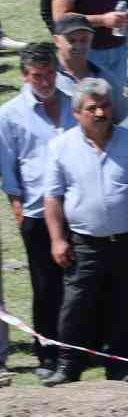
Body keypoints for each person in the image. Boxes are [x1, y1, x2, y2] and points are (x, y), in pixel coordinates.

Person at [40, 79, 128, 385]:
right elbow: (52, 196)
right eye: (92, 108)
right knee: (75, 305)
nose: (100, 113)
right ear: (77, 113)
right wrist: (57, 239)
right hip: (84, 242)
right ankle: (68, 366)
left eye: (104, 106)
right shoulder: (60, 147)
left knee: (126, 304)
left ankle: (119, 366)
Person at [0, 42, 76, 376]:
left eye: (48, 75)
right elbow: (7, 166)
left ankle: (78, 347)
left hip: (76, 208)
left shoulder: (75, 106)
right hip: (35, 210)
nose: (44, 82)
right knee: (45, 286)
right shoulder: (9, 115)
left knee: (78, 284)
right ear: (24, 76)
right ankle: (47, 352)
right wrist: (17, 206)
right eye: (36, 77)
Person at [52, 13, 127, 123]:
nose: (78, 46)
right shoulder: (47, 77)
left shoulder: (105, 78)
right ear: (57, 41)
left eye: (84, 40)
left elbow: (124, 119)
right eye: (71, 40)